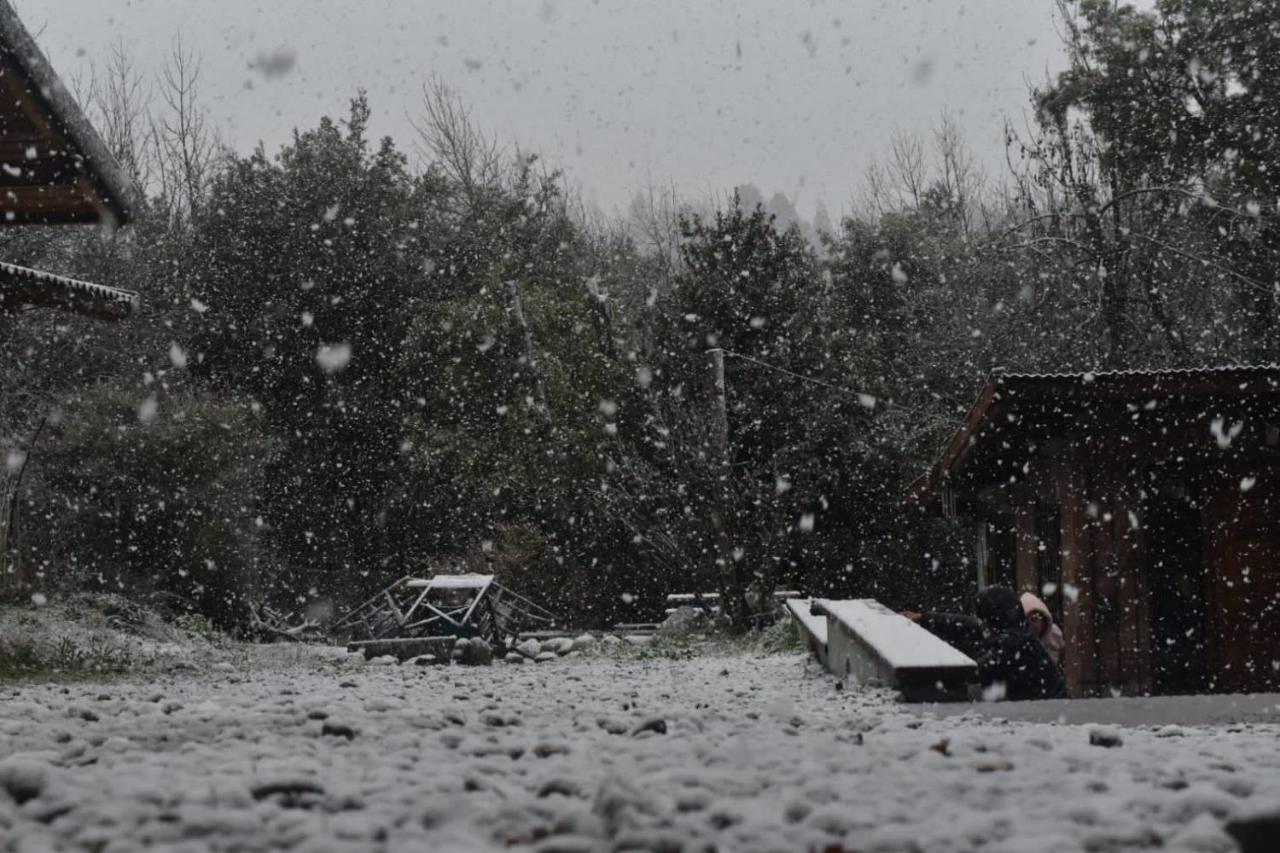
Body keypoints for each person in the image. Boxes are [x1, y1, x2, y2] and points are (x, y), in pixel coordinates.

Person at [904, 586, 1067, 701]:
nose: (982, 624)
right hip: (1047, 709)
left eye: (984, 617)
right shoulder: (1013, 631)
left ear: (992, 617)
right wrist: (924, 617)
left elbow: (974, 672)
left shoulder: (1014, 643)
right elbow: (965, 624)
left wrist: (921, 678)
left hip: (1050, 717)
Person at [1020, 592, 1065, 665]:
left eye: (1034, 619)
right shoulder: (1015, 650)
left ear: (1044, 621)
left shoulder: (1053, 646)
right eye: (1025, 620)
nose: (1030, 625)